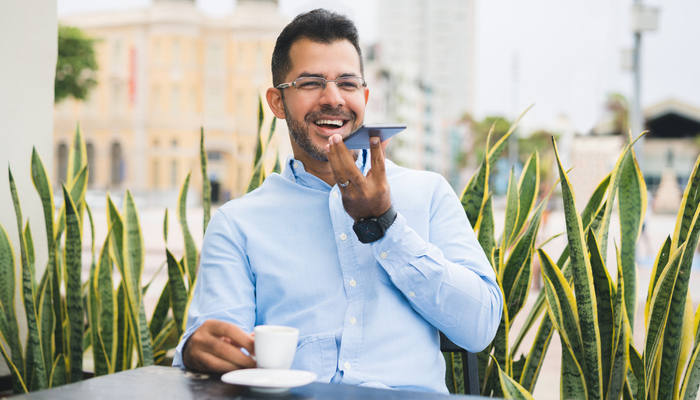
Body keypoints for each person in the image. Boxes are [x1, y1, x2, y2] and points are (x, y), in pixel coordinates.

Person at [172, 9, 502, 393]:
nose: (332, 99)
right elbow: (218, 340)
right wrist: (198, 349)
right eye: (310, 83)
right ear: (277, 102)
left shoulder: (428, 193)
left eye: (347, 84)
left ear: (363, 96)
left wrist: (384, 224)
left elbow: (479, 329)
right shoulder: (238, 223)